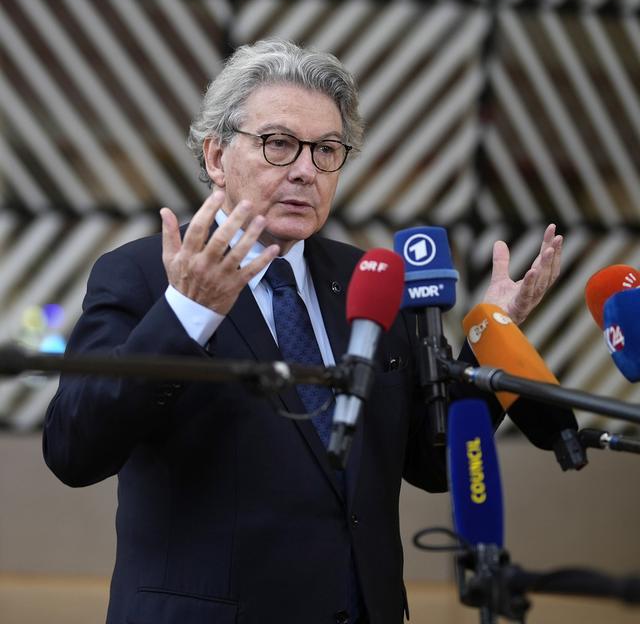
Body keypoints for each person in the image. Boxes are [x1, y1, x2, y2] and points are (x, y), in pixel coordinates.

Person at [43, 39, 573, 624]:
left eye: (327, 150)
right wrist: (187, 313)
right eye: (278, 144)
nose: (304, 170)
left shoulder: (373, 280)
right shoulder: (141, 273)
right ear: (217, 155)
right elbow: (73, 450)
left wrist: (492, 333)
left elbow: (431, 460)